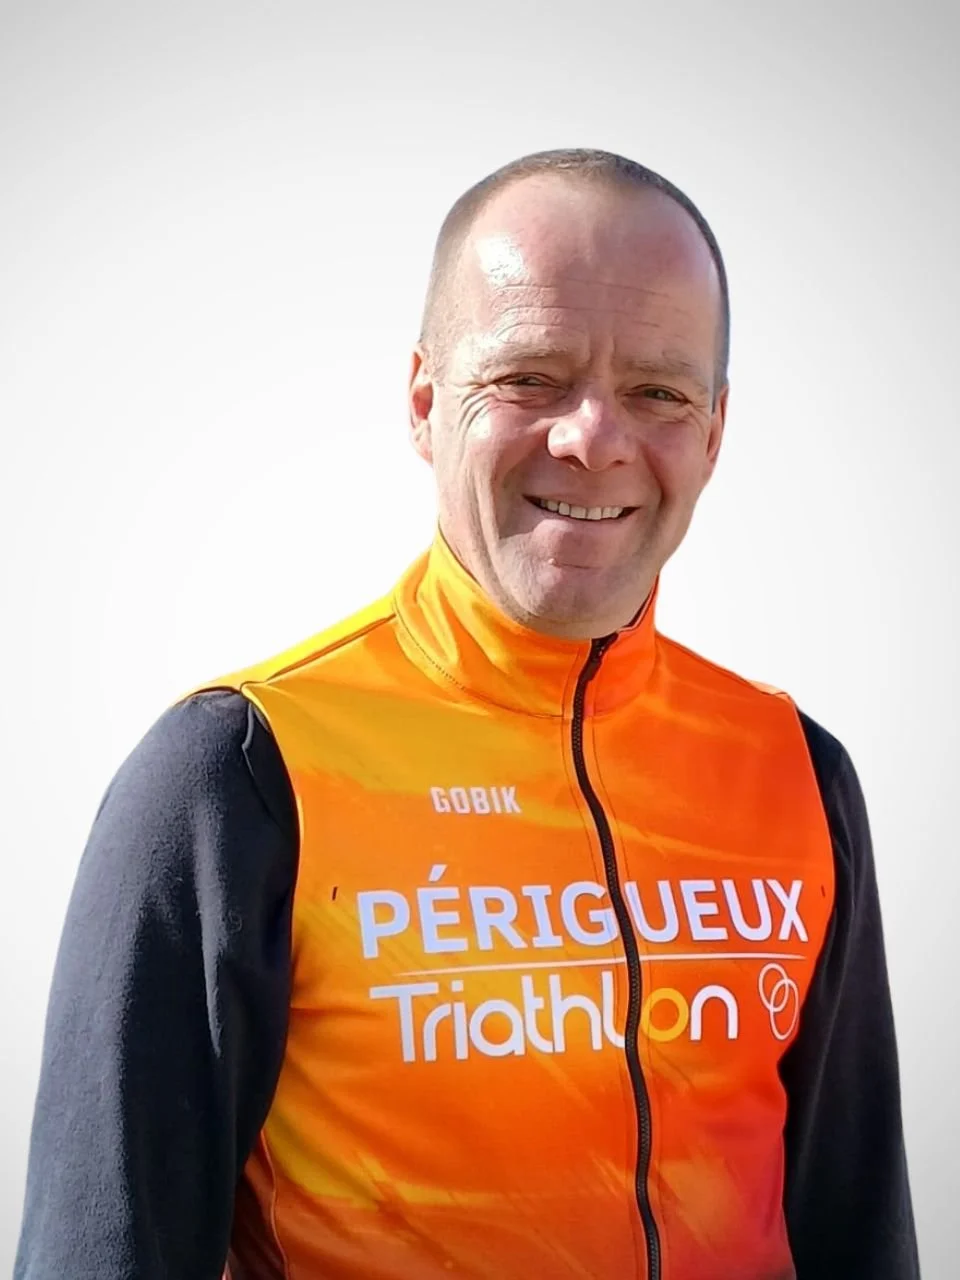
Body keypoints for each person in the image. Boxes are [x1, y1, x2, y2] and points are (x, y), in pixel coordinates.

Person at [15, 149, 919, 1280]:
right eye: (531, 377)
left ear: (715, 431)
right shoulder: (237, 773)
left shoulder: (794, 769)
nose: (594, 437)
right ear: (425, 403)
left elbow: (859, 1229)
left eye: (659, 392)